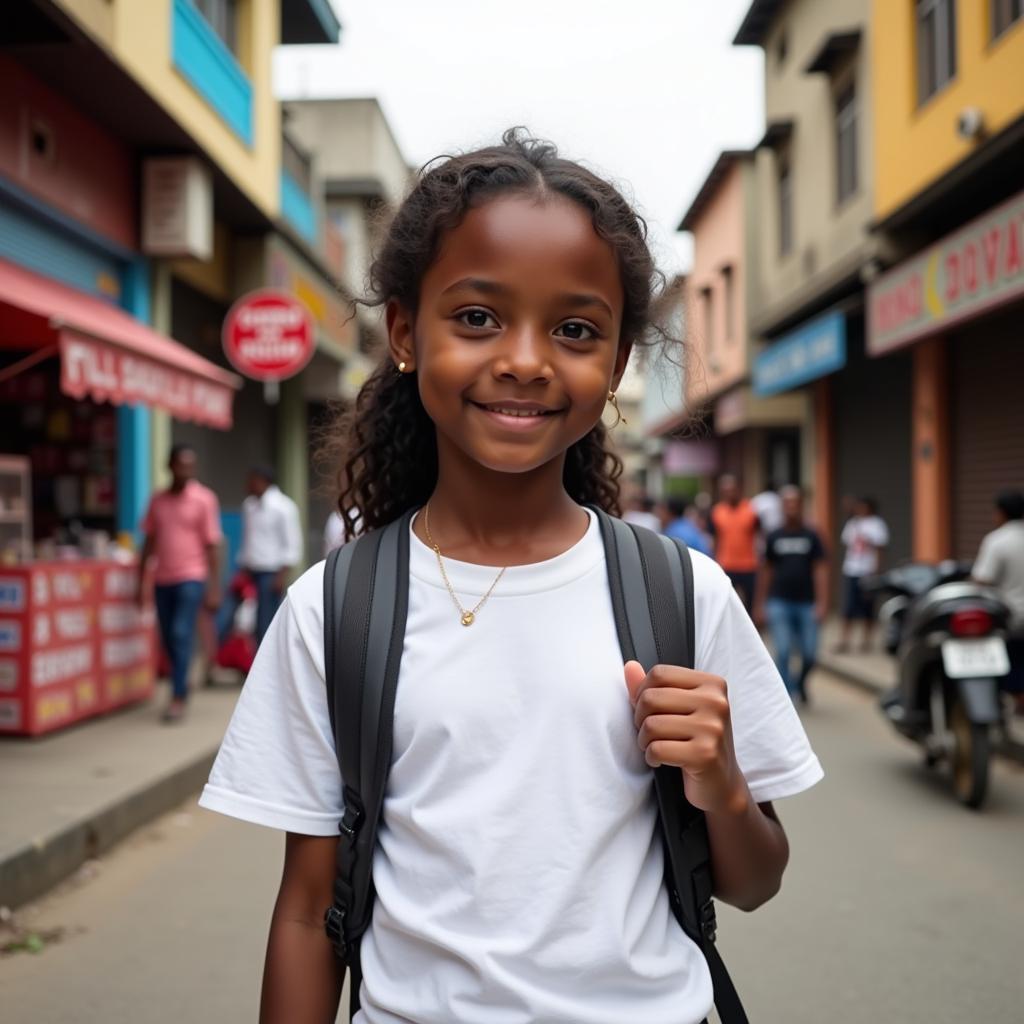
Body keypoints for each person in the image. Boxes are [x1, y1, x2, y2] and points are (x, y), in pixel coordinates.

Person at [198, 131, 822, 1024]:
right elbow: (307, 912)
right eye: (479, 317)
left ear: (613, 366)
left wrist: (722, 786)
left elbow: (755, 885)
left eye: (574, 329)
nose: (526, 359)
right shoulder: (332, 611)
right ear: (407, 333)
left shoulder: (681, 593)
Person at [137, 443, 221, 722]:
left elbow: (213, 545)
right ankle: (181, 681)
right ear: (170, 466)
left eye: (191, 466)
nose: (187, 471)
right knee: (168, 638)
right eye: (181, 465)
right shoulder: (157, 501)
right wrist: (141, 582)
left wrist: (213, 586)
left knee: (180, 632)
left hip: (191, 577)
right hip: (163, 579)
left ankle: (177, 696)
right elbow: (148, 542)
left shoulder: (204, 499)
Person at [756, 486, 827, 704]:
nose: (791, 508)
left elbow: (821, 569)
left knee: (810, 654)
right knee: (784, 650)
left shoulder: (812, 535)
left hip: (806, 603)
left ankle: (800, 684)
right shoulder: (774, 536)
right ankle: (786, 695)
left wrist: (823, 602)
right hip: (779, 601)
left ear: (802, 505)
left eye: (795, 503)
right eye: (787, 503)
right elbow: (766, 570)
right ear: (782, 507)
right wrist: (760, 603)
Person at [219, 466, 302, 646]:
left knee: (265, 620)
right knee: (231, 616)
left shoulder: (284, 507)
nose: (248, 485)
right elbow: (247, 539)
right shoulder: (249, 505)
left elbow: (292, 544)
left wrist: (282, 575)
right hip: (249, 570)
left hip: (271, 572)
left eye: (252, 480)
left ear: (263, 481)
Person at [971, 490, 1024, 710]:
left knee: (1013, 659)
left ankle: (1018, 700)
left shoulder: (998, 540)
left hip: (1014, 616)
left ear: (1001, 513)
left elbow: (982, 580)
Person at [836, 496, 889, 653]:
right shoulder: (852, 523)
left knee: (868, 608)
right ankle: (844, 640)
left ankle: (866, 641)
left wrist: (877, 572)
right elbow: (847, 544)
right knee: (848, 607)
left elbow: (880, 549)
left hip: (868, 571)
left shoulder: (877, 524)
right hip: (852, 569)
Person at [709, 474, 761, 612]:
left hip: (748, 565)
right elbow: (714, 538)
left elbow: (760, 535)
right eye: (725, 491)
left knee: (749, 605)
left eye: (732, 489)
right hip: (726, 564)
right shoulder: (717, 512)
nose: (729, 494)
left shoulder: (751, 510)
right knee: (726, 604)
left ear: (739, 489)